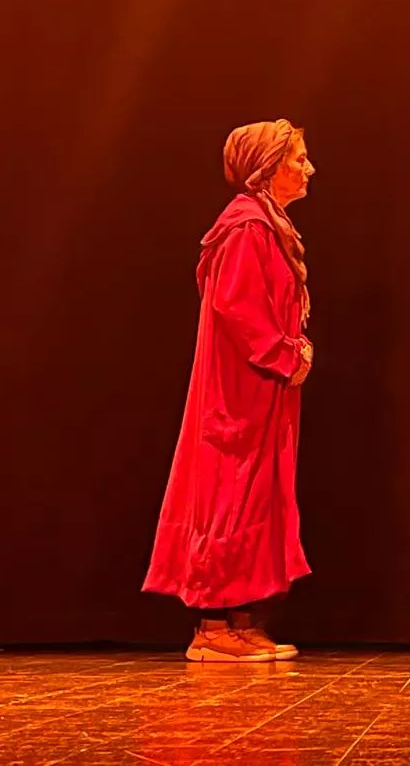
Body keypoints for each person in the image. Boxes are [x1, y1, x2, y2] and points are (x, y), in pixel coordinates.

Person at [144, 119, 316, 662]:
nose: (308, 168)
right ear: (268, 167)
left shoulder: (266, 225)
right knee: (230, 493)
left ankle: (240, 620)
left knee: (255, 495)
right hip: (240, 387)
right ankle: (213, 628)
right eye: (299, 158)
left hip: (260, 386)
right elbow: (240, 307)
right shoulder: (246, 228)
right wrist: (288, 355)